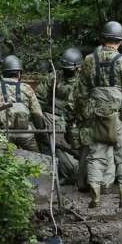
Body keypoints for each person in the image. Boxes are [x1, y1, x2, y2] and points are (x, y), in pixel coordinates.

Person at [75, 21, 122, 208]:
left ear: (102, 38)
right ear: (121, 41)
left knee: (96, 155)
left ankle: (95, 196)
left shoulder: (89, 60)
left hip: (97, 115)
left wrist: (85, 115)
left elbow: (80, 92)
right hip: (121, 117)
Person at [36, 47, 84, 185]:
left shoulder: (83, 80)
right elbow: (39, 98)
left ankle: (72, 171)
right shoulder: (54, 77)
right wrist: (40, 116)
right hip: (54, 118)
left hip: (75, 122)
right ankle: (54, 172)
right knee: (49, 142)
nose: (67, 71)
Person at [0, 55, 42, 152]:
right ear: (19, 73)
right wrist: (40, 127)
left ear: (3, 72)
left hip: (3, 132)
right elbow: (37, 113)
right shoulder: (26, 88)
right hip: (24, 132)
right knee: (36, 156)